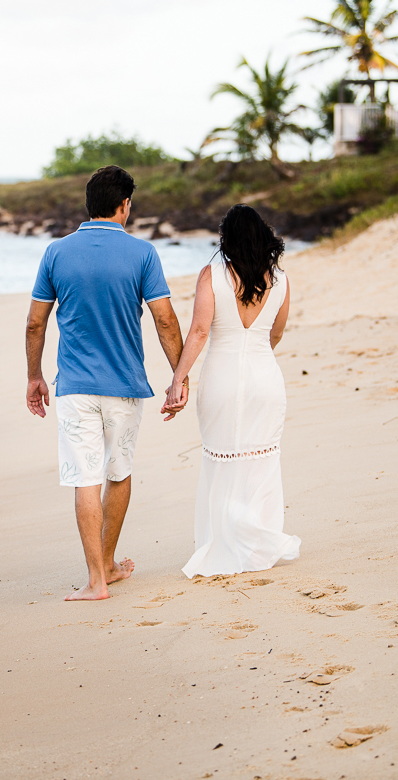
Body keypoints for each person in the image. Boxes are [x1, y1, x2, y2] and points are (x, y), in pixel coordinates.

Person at [25, 165, 186, 601]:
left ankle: (99, 578)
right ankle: (108, 563)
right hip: (125, 385)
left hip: (74, 386)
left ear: (88, 205)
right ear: (125, 205)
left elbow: (36, 323)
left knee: (85, 479)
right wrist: (180, 375)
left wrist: (34, 376)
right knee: (119, 473)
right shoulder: (142, 254)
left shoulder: (57, 252)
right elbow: (164, 318)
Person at [162, 204, 301, 577]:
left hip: (221, 377)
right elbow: (276, 333)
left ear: (226, 239)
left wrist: (178, 379)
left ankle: (223, 543)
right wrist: (255, 359)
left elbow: (200, 331)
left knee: (222, 459)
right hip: (265, 376)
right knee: (261, 461)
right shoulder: (282, 281)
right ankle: (259, 547)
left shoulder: (213, 275)